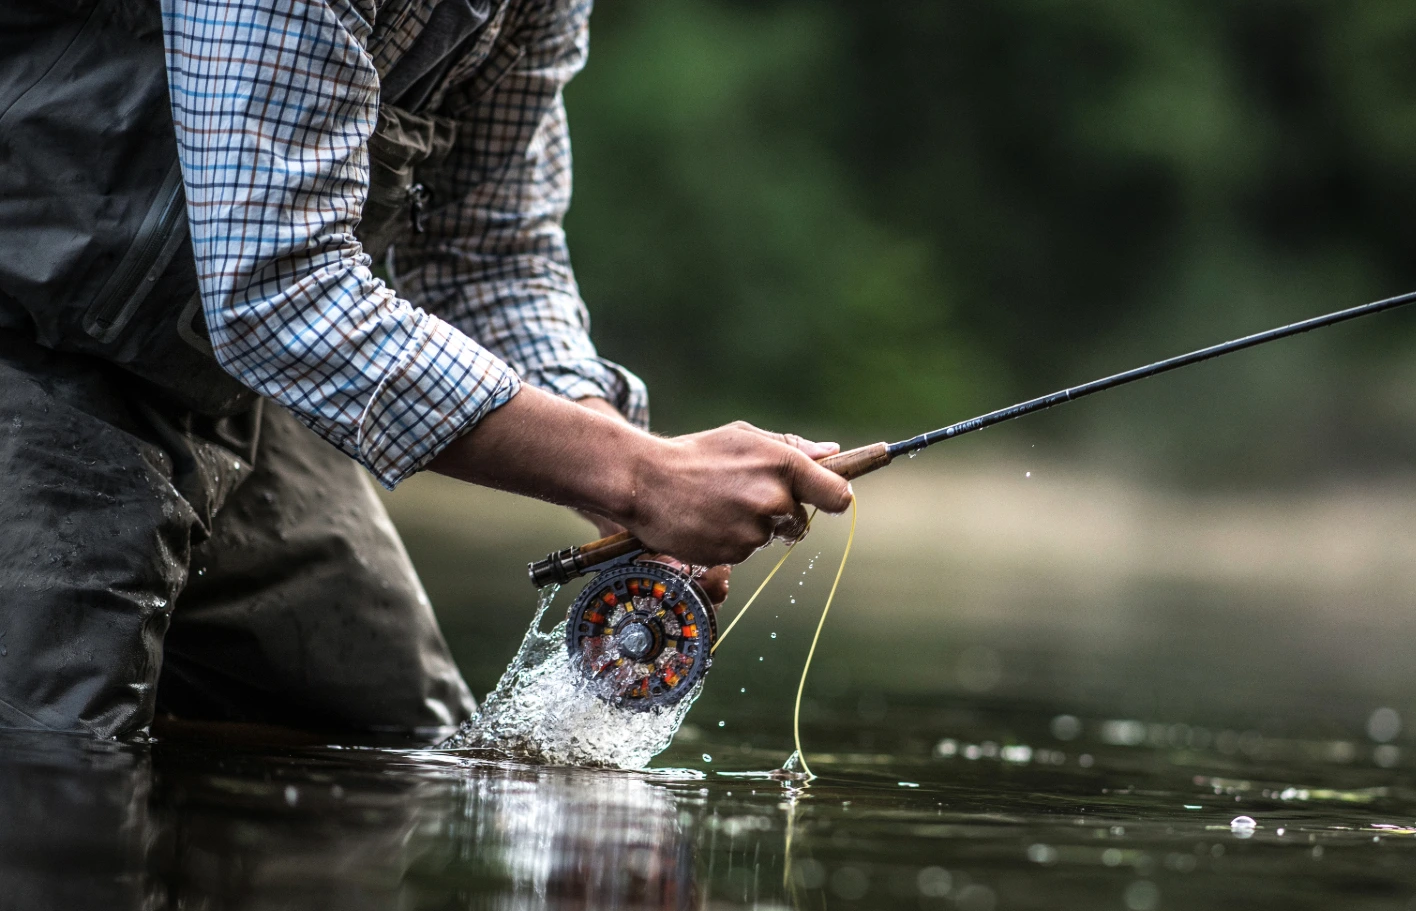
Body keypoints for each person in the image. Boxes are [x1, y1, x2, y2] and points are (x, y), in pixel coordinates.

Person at [0, 0, 851, 743]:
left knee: (399, 733)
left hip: (227, 379)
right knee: (57, 766)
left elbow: (488, 255)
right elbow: (279, 291)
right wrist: (638, 478)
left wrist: (623, 473)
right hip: (30, 335)